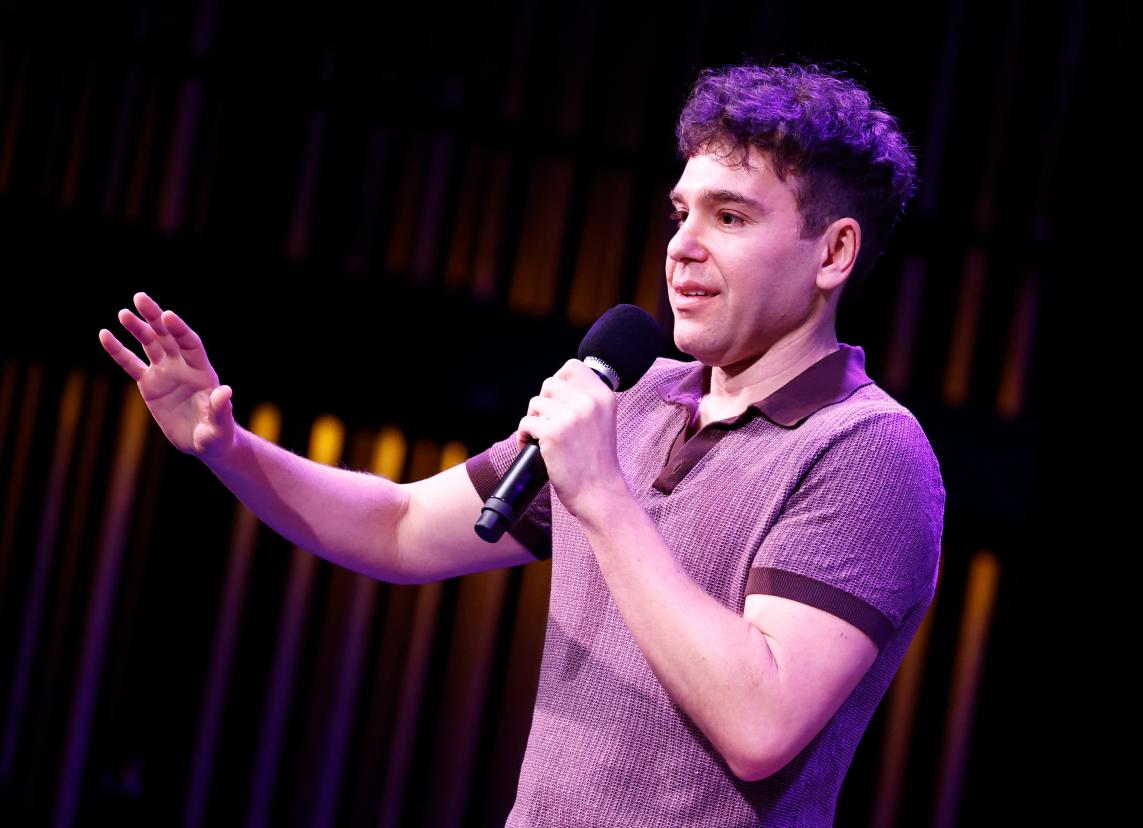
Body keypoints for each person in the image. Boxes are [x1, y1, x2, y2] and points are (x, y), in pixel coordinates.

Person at [99, 63, 944, 826]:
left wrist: (604, 499)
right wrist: (229, 448)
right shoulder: (640, 399)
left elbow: (762, 724)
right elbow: (398, 525)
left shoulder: (868, 451)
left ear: (833, 253)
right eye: (682, 213)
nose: (682, 247)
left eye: (730, 217)